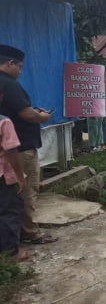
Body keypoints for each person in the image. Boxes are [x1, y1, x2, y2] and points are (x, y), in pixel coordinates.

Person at [0, 44, 57, 245]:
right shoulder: (9, 84)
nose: (20, 71)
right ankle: (29, 232)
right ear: (10, 63)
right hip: (20, 149)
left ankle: (14, 236)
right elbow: (26, 114)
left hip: (5, 150)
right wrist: (42, 116)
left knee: (8, 195)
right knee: (26, 189)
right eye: (20, 67)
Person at [0, 86, 29, 262]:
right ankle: (11, 253)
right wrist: (20, 177)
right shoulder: (4, 122)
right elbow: (11, 152)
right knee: (10, 212)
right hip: (4, 176)